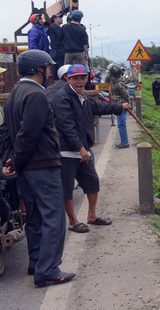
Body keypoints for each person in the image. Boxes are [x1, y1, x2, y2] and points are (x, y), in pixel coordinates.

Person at [0, 50, 75, 287]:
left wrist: (11, 160)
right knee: (53, 217)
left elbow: (8, 133)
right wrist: (17, 161)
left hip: (26, 169)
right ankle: (48, 270)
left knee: (34, 217)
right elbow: (29, 134)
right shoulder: (35, 95)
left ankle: (36, 264)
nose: (50, 73)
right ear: (39, 69)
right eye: (48, 68)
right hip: (42, 165)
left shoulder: (14, 94)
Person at [51, 64, 130, 233]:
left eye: (82, 78)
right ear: (68, 79)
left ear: (87, 79)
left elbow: (99, 108)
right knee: (67, 187)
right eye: (75, 78)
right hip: (67, 151)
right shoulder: (62, 98)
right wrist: (80, 148)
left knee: (92, 182)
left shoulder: (83, 97)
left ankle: (92, 216)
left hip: (82, 150)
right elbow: (67, 126)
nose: (79, 81)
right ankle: (72, 221)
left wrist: (119, 107)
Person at [109, 64, 130, 148]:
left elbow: (125, 95)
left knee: (121, 124)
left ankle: (125, 142)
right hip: (118, 105)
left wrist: (128, 104)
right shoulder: (114, 82)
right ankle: (124, 141)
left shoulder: (118, 84)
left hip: (121, 106)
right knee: (120, 124)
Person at [48, 15, 65, 79]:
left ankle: (56, 81)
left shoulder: (51, 27)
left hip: (54, 49)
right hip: (58, 49)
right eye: (60, 18)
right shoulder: (55, 27)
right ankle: (60, 81)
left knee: (56, 67)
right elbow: (61, 35)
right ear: (55, 19)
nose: (61, 19)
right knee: (61, 67)